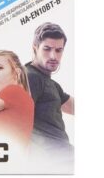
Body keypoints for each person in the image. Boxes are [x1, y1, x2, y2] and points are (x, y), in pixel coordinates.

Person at [26, 22, 74, 163]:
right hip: (54, 161)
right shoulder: (30, 77)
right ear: (35, 48)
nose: (53, 56)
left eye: (59, 50)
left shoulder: (51, 84)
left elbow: (72, 106)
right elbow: (15, 121)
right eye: (47, 49)